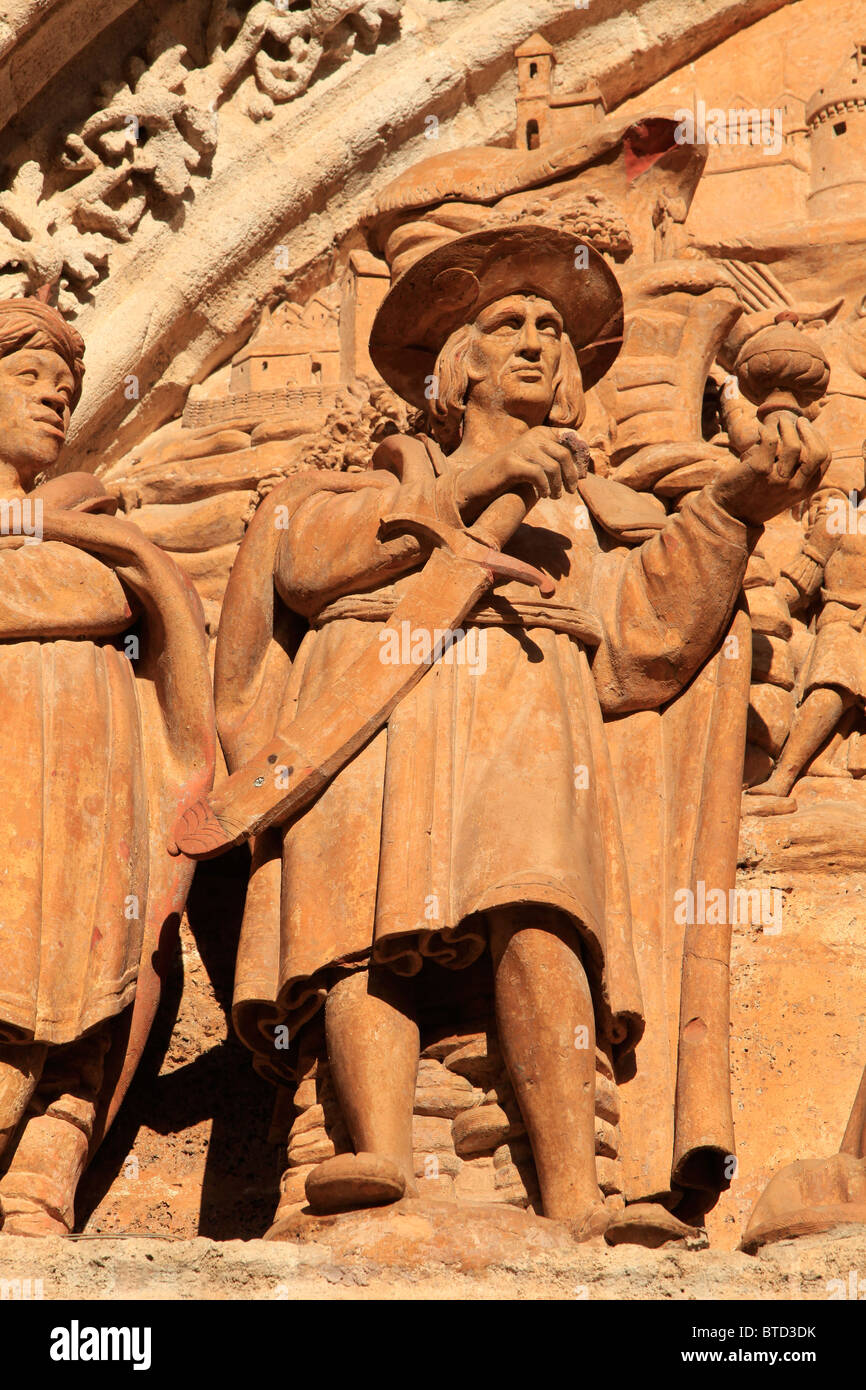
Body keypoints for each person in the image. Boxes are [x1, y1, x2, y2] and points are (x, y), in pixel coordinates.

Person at [216, 226, 828, 1241]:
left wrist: (732, 502)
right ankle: (369, 1146)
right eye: (507, 324)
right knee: (358, 932)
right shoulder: (371, 478)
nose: (538, 341)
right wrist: (481, 478)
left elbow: (644, 641)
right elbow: (307, 563)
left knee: (540, 916)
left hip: (524, 714)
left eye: (552, 327)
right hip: (369, 715)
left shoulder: (584, 518)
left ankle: (576, 1196)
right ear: (455, 367)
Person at [0, 297, 214, 1235]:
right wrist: (41, 526)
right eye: (28, 379)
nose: (56, 400)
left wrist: (80, 532)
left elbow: (171, 632)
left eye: (68, 388)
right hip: (13, 785)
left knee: (104, 984)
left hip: (99, 790)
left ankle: (42, 1191)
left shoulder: (87, 517)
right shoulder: (58, 519)